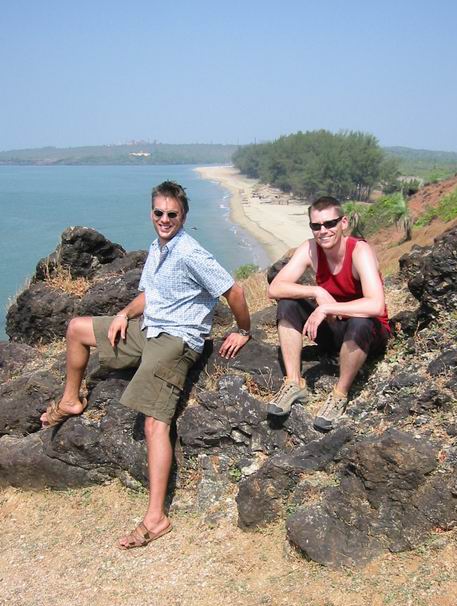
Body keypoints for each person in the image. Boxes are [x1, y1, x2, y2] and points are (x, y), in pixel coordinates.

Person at [40, 181, 251, 549]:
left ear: (183, 216)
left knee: (155, 423)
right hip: (149, 328)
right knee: (76, 329)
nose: (164, 219)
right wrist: (123, 314)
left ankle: (157, 518)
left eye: (172, 214)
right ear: (152, 213)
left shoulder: (190, 253)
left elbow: (234, 290)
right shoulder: (158, 247)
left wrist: (244, 329)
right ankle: (71, 400)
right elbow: (150, 294)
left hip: (176, 339)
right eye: (159, 213)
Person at [267, 196, 390, 431]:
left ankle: (340, 394)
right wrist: (316, 291)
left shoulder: (359, 251)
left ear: (343, 223)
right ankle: (294, 382)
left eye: (330, 224)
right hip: (334, 329)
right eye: (316, 226)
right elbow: (274, 289)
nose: (323, 231)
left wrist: (326, 307)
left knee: (360, 322)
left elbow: (376, 305)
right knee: (287, 304)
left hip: (366, 334)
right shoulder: (310, 249)